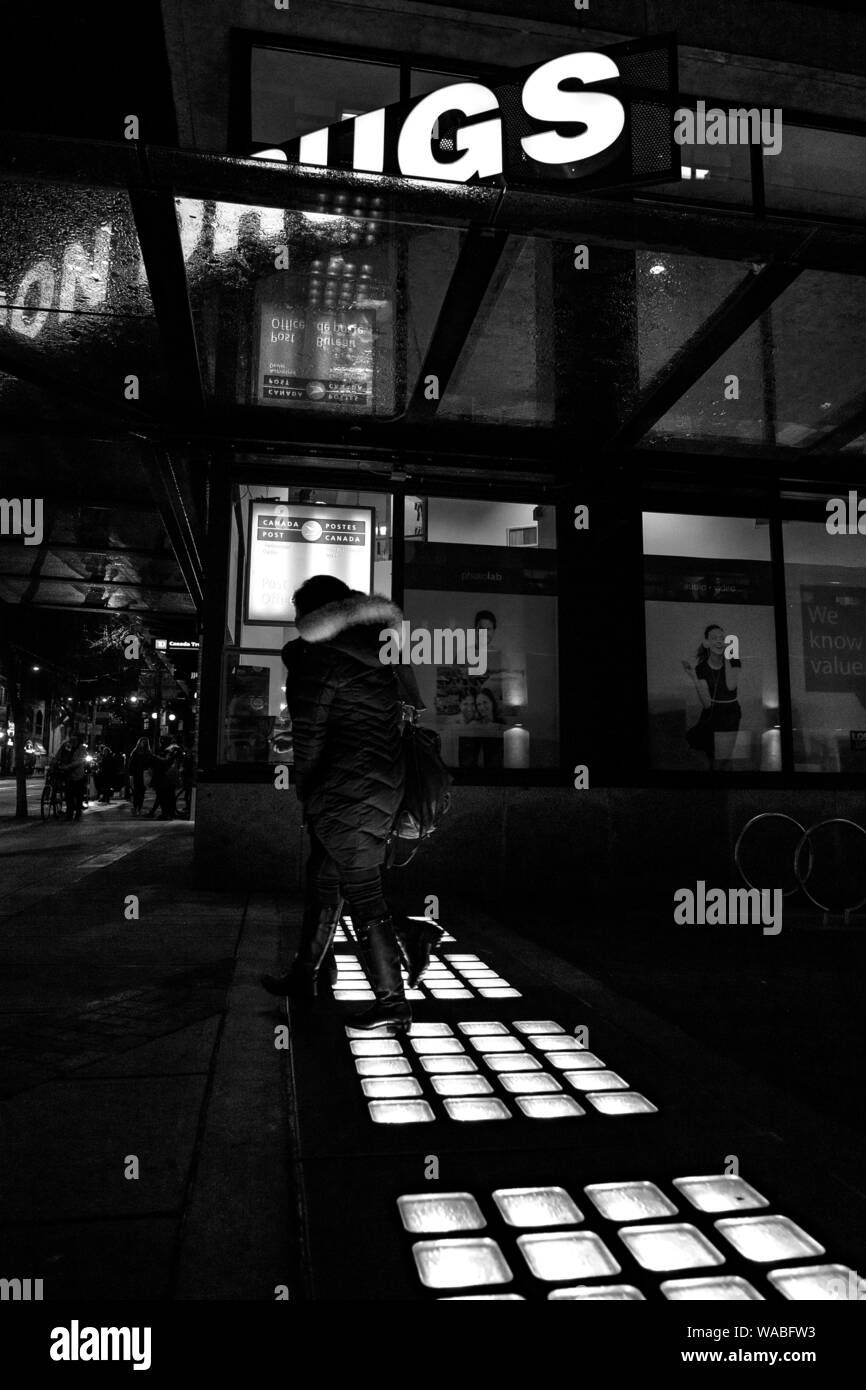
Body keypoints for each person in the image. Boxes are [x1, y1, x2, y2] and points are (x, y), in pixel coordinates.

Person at [260, 576, 436, 1032]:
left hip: (344, 791)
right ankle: (306, 975)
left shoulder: (319, 657)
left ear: (314, 613)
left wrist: (306, 785)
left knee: (363, 895)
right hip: (380, 786)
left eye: (298, 607)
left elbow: (309, 734)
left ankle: (393, 1002)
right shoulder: (379, 650)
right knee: (323, 882)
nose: (295, 616)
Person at [682, 623, 742, 769]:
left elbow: (731, 686)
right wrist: (694, 677)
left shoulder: (733, 660)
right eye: (714, 638)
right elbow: (707, 704)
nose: (719, 640)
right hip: (712, 714)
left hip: (731, 713)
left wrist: (729, 654)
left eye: (722, 637)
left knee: (725, 756)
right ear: (706, 643)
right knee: (712, 756)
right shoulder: (701, 668)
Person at [62, 734, 89, 821]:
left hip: (78, 775)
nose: (72, 742)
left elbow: (79, 761)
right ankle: (69, 813)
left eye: (73, 741)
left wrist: (68, 766)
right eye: (71, 741)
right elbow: (61, 755)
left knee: (78, 795)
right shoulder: (68, 747)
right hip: (69, 776)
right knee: (69, 796)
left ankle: (77, 813)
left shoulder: (82, 749)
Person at [128, 736, 153, 816]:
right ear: (139, 743)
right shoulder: (135, 752)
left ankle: (139, 808)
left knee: (142, 792)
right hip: (136, 774)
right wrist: (131, 774)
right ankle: (136, 807)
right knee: (136, 792)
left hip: (144, 775)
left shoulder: (148, 753)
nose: (144, 744)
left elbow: (150, 763)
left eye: (145, 743)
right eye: (142, 742)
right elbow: (131, 764)